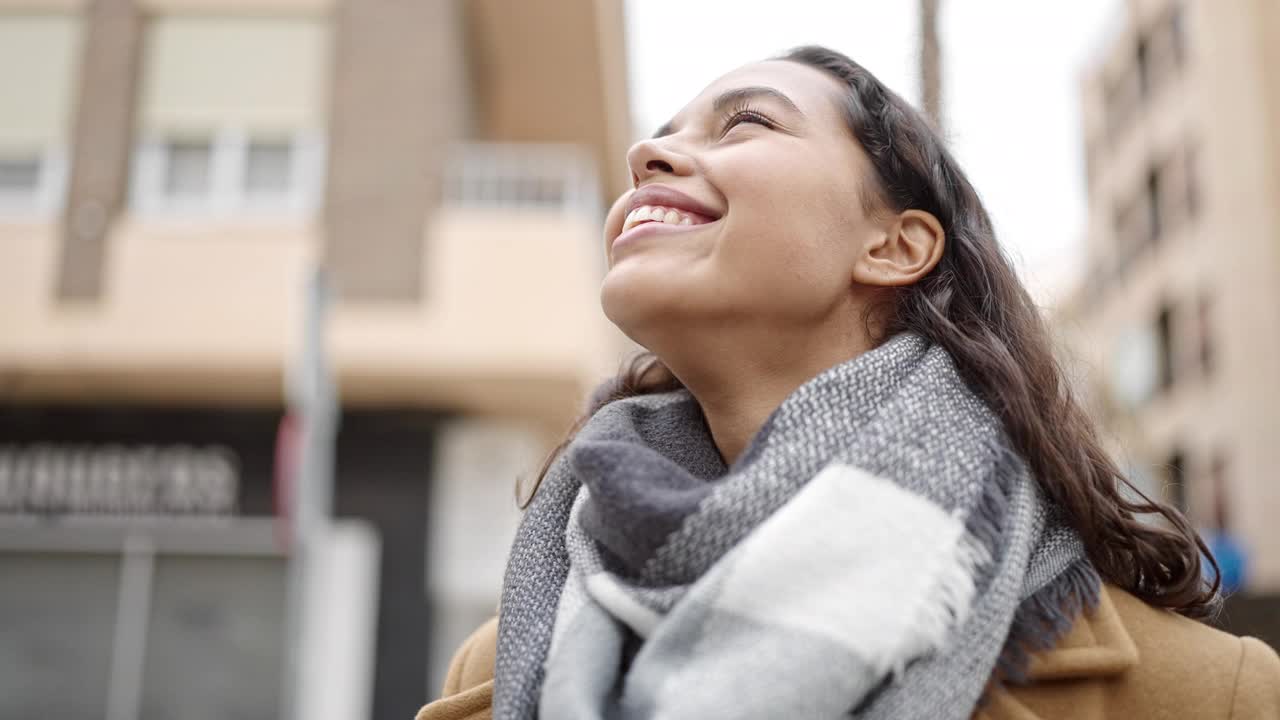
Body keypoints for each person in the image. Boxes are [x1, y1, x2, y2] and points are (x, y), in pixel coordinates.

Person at [417, 45, 1280, 720]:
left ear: (895, 246)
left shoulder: (1211, 696)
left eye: (744, 123)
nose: (650, 152)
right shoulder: (500, 668)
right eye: (664, 131)